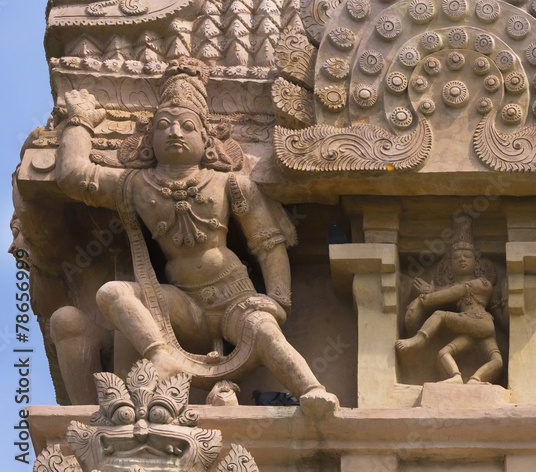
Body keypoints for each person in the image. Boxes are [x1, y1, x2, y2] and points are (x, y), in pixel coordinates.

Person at [55, 57, 338, 417]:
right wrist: (79, 121)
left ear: (206, 138)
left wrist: (278, 301)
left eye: (186, 125)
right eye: (163, 126)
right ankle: (160, 356)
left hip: (234, 297)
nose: (174, 132)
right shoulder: (136, 186)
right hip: (181, 305)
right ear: (150, 138)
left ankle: (310, 389)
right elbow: (75, 176)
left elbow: (268, 244)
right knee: (112, 293)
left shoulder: (231, 184)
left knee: (264, 330)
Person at [396, 215, 503, 384]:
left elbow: (447, 295)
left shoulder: (482, 283)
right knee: (446, 354)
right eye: (456, 256)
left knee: (439, 315)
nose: (462, 259)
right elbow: (445, 293)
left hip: (480, 322)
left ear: (477, 261)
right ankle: (463, 378)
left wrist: (429, 296)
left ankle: (419, 339)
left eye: (467, 255)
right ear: (449, 264)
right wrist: (430, 292)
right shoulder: (454, 287)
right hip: (473, 329)